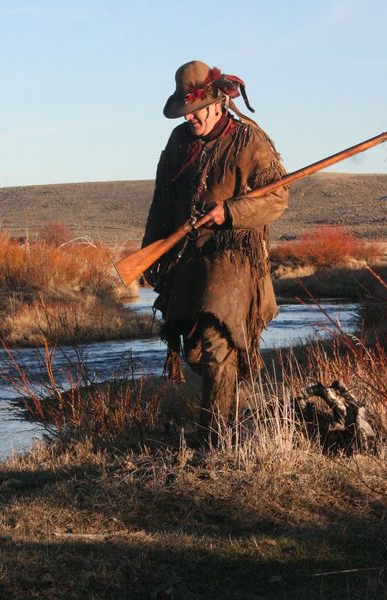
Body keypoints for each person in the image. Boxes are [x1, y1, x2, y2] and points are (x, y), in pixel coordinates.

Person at [142, 60, 289, 445]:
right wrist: (151, 252)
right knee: (194, 351)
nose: (192, 119)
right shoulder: (178, 143)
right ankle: (223, 423)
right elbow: (162, 202)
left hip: (234, 255)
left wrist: (231, 212)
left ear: (218, 102)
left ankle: (215, 439)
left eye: (198, 111)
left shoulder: (250, 142)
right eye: (187, 113)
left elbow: (277, 197)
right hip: (187, 258)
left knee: (216, 341)